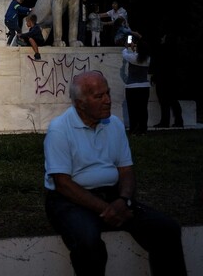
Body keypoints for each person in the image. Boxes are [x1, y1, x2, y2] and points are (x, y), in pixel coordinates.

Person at [44, 70, 187, 276]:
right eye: (99, 96)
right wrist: (106, 209)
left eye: (108, 93)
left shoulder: (115, 125)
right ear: (80, 103)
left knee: (167, 229)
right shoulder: (59, 129)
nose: (108, 101)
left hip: (113, 196)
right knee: (88, 243)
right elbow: (62, 183)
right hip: (70, 200)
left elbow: (126, 170)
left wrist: (123, 200)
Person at [151, 33, 183, 128]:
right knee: (173, 101)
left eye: (163, 37)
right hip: (172, 79)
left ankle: (165, 121)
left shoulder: (162, 50)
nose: (162, 38)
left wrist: (155, 76)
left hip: (163, 79)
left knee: (164, 101)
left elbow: (159, 65)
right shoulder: (175, 50)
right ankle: (178, 120)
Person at [122, 38, 151, 135]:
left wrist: (126, 47)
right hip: (144, 87)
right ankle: (143, 130)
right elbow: (138, 57)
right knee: (143, 109)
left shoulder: (132, 58)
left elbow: (125, 55)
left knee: (132, 110)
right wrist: (134, 50)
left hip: (132, 87)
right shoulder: (148, 59)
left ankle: (133, 129)